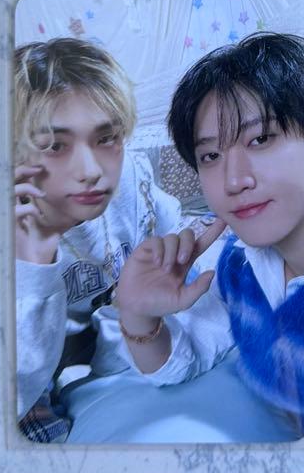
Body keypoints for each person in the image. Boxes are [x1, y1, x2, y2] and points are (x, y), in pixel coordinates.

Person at [113, 33, 304, 437]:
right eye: (210, 156)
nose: (234, 180)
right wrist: (138, 314)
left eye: (260, 139)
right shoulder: (236, 267)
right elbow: (182, 363)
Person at [13, 37, 194, 442]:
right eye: (55, 146)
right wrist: (34, 260)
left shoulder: (131, 180)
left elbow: (155, 281)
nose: (91, 170)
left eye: (106, 137)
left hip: (114, 356)